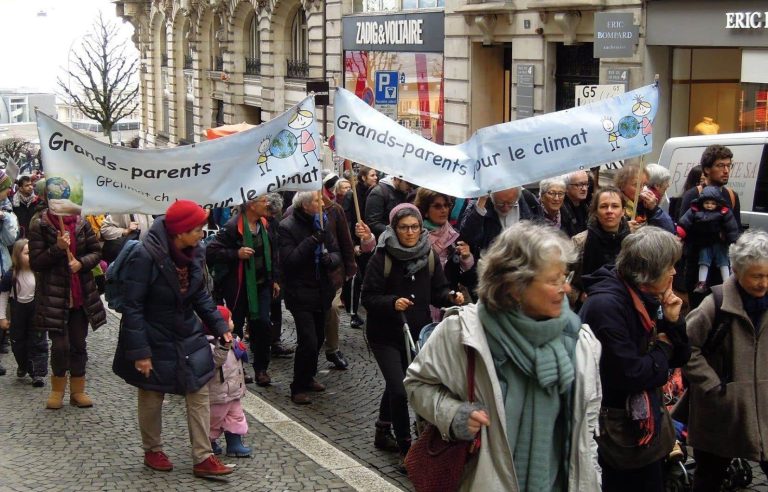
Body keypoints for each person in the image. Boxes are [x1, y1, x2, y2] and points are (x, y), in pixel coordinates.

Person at [404, 221, 602, 491]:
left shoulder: (581, 342)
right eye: (553, 280)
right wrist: (453, 415)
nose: (565, 289)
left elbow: (586, 430)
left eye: (564, 278)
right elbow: (417, 384)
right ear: (514, 285)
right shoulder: (463, 333)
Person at [112, 200, 234, 477]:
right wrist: (140, 352)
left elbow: (200, 293)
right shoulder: (145, 255)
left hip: (187, 333)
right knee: (152, 393)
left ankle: (203, 457)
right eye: (197, 229)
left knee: (198, 390)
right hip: (153, 333)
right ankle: (152, 449)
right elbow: (133, 306)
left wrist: (218, 325)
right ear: (179, 232)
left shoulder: (196, 251)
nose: (202, 234)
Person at [579, 226, 690, 491]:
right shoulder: (607, 306)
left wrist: (673, 323)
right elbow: (633, 374)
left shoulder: (650, 297)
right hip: (617, 433)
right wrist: (663, 347)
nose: (674, 272)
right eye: (669, 266)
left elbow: (681, 358)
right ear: (648, 271)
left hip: (642, 424)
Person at [362, 203, 464, 464]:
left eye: (415, 227)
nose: (410, 232)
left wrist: (451, 297)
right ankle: (406, 447)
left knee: (398, 383)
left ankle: (383, 428)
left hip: (415, 332)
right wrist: (392, 302)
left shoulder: (427, 254)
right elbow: (368, 297)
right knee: (399, 389)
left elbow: (438, 290)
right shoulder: (382, 257)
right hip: (385, 333)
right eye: (404, 227)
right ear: (394, 228)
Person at [683, 230, 768, 492]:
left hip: (764, 406)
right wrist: (713, 386)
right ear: (738, 271)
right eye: (757, 276)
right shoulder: (715, 304)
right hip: (721, 412)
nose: (764, 283)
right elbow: (686, 348)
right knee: (709, 477)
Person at [28, 192, 104, 410]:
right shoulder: (40, 225)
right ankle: (57, 388)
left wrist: (81, 263)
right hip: (54, 296)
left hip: (81, 296)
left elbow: (96, 252)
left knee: (79, 344)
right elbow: (36, 262)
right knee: (60, 346)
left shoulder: (82, 223)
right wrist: (57, 249)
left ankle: (78, 390)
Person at [206, 195, 280, 387]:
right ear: (250, 205)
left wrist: (275, 280)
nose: (268, 204)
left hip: (262, 284)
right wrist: (236, 254)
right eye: (263, 201)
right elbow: (211, 251)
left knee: (263, 324)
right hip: (238, 287)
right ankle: (238, 366)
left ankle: (261, 369)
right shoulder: (232, 227)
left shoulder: (266, 224)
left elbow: (273, 252)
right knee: (236, 327)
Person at [279, 191, 341, 405]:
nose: (322, 203)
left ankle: (309, 376)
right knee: (308, 340)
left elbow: (336, 252)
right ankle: (297, 386)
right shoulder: (287, 227)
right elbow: (290, 260)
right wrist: (313, 240)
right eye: (317, 200)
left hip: (321, 290)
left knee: (319, 338)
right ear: (305, 205)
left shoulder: (322, 222)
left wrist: (329, 259)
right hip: (299, 291)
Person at [679, 145, 742, 309]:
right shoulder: (693, 195)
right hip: (698, 271)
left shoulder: (731, 196)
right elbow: (684, 231)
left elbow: (736, 232)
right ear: (707, 169)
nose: (726, 170)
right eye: (720, 165)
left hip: (723, 271)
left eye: (729, 165)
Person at [413, 188, 475, 314]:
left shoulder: (454, 235)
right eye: (437, 206)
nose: (444, 210)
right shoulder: (414, 236)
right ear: (425, 211)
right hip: (423, 301)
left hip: (447, 300)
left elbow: (465, 275)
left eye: (447, 205)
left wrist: (466, 257)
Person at [570, 186, 630, 308]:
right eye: (603, 206)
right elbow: (561, 278)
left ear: (623, 211)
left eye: (615, 206)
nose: (609, 211)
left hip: (624, 305)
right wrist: (578, 296)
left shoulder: (633, 242)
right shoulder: (580, 242)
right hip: (588, 306)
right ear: (596, 212)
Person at [677, 186, 740, 294]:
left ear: (717, 203)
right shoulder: (695, 211)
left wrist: (733, 239)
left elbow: (732, 226)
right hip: (704, 243)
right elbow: (685, 222)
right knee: (703, 262)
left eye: (712, 203)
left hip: (719, 243)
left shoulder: (724, 212)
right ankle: (702, 282)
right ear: (702, 202)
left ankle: (727, 283)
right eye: (707, 203)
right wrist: (680, 232)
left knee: (723, 263)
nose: (710, 205)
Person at [207, 305, 251, 458]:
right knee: (213, 420)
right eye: (230, 319)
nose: (233, 322)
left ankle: (234, 443)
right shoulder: (210, 345)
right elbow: (215, 362)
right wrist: (224, 346)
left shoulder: (234, 339)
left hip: (233, 391)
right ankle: (208, 442)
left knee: (236, 416)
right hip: (217, 394)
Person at [1, 239, 47, 386]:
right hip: (18, 312)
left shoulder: (38, 273)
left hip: (36, 311)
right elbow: (3, 296)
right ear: (18, 255)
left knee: (38, 341)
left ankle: (37, 373)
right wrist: (2, 317)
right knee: (18, 343)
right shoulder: (11, 276)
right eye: (27, 253)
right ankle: (23, 365)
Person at [459, 186, 541, 260]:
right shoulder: (479, 202)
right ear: (491, 197)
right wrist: (480, 207)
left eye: (511, 203)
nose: (505, 208)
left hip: (522, 264)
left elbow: (540, 232)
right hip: (491, 264)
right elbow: (467, 237)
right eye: (500, 203)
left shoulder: (528, 200)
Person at [342, 165, 379, 329]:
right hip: (357, 244)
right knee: (355, 279)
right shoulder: (352, 195)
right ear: (363, 177)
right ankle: (353, 313)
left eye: (376, 175)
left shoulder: (375, 193)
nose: (375, 177)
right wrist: (354, 244)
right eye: (372, 175)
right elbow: (348, 222)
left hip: (369, 241)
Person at [0, 171, 19, 358]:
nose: (8, 192)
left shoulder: (6, 210)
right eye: (5, 188)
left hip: (1, 263)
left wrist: (5, 219)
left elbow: (10, 238)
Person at [634, 163, 676, 234]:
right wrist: (655, 209)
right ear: (657, 185)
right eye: (666, 182)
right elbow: (669, 230)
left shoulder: (642, 199)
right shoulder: (647, 203)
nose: (668, 185)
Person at [561, 170, 591, 237]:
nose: (584, 189)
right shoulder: (560, 209)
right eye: (579, 185)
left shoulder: (587, 205)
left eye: (586, 184)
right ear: (566, 187)